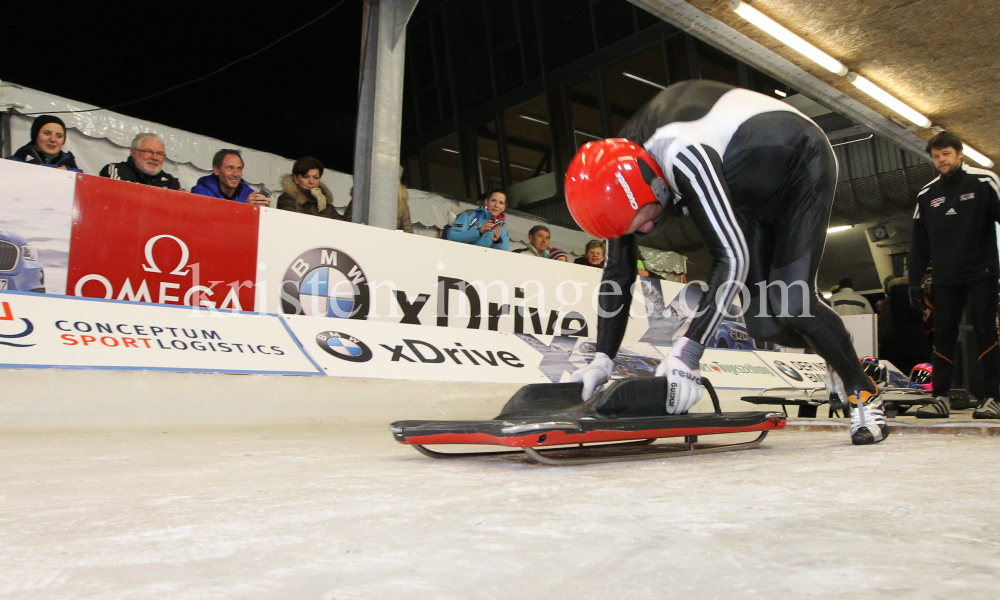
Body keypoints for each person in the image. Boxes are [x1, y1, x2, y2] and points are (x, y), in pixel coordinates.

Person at [564, 79, 886, 445]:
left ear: (655, 186)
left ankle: (863, 390)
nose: (649, 229)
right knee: (764, 325)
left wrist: (688, 352)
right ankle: (833, 351)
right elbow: (618, 274)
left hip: (800, 163)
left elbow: (732, 256)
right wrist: (601, 360)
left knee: (793, 304)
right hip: (746, 188)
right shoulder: (615, 177)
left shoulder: (681, 150)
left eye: (646, 219)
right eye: (634, 230)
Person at [907, 131, 1000, 419]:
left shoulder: (984, 181)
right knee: (943, 337)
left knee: (986, 333)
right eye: (936, 156)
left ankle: (992, 398)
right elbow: (919, 243)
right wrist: (914, 282)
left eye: (946, 154)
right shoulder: (927, 194)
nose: (941, 160)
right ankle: (940, 398)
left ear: (960, 154)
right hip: (946, 278)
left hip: (982, 273)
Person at [99, 133, 180, 189]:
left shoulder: (170, 181)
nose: (155, 157)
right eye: (148, 151)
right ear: (133, 153)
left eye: (159, 153)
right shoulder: (117, 170)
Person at [276, 156, 346, 220]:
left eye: (315, 177)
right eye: (306, 176)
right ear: (296, 178)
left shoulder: (327, 206)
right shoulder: (287, 199)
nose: (311, 181)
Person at [191, 150, 269, 206]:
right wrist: (244, 204)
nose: (235, 174)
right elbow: (213, 215)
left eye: (239, 169)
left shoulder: (248, 193)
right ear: (216, 170)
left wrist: (265, 207)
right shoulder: (200, 192)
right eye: (230, 168)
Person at [6, 115, 82, 172]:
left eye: (59, 136)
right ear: (35, 136)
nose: (52, 139)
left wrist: (68, 172)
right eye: (47, 133)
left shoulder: (70, 165)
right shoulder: (13, 162)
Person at [444, 189, 509, 250]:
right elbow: (452, 236)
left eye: (501, 203)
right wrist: (479, 232)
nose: (496, 205)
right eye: (493, 200)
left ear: (504, 207)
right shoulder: (469, 215)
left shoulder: (502, 229)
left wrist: (497, 242)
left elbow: (503, 256)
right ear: (486, 202)